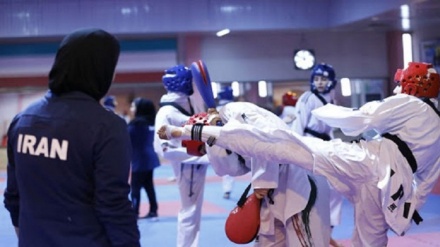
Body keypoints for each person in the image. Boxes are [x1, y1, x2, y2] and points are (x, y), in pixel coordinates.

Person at [158, 62, 440, 247]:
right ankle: (195, 133)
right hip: (391, 183)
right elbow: (428, 178)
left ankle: (193, 133)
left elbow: (368, 117)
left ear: (413, 85)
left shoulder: (409, 103)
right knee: (371, 240)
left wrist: (335, 114)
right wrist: (412, 204)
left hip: (362, 161)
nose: (398, 87)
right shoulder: (436, 122)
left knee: (284, 145)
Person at [3, 28, 140, 247]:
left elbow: (13, 198)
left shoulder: (23, 120)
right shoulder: (107, 127)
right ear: (100, 70)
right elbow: (114, 206)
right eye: (112, 68)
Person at [204, 102, 331, 246]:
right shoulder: (222, 129)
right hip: (272, 190)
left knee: (304, 239)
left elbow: (266, 134)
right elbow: (232, 167)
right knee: (267, 241)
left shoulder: (234, 111)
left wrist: (263, 180)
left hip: (300, 183)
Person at [153, 65, 210, 247]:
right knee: (189, 211)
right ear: (184, 82)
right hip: (187, 166)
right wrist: (201, 156)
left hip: (198, 162)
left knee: (194, 211)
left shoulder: (188, 104)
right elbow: (165, 149)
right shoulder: (166, 113)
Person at [293, 63, 344, 247]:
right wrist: (296, 151)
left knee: (336, 188)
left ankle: (328, 228)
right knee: (308, 192)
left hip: (326, 146)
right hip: (308, 144)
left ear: (331, 81)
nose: (320, 82)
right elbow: (298, 125)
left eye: (323, 79)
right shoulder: (308, 98)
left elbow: (332, 128)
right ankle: (309, 233)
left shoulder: (331, 98)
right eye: (317, 79)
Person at [128, 97, 160, 220]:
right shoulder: (151, 122)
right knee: (148, 186)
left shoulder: (136, 124)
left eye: (133, 106)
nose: (131, 109)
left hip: (140, 160)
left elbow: (127, 139)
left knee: (135, 187)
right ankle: (153, 210)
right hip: (149, 158)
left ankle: (134, 212)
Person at [216, 86, 235, 199]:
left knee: (227, 166)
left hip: (218, 140)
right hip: (234, 140)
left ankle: (227, 190)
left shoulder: (215, 109)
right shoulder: (236, 108)